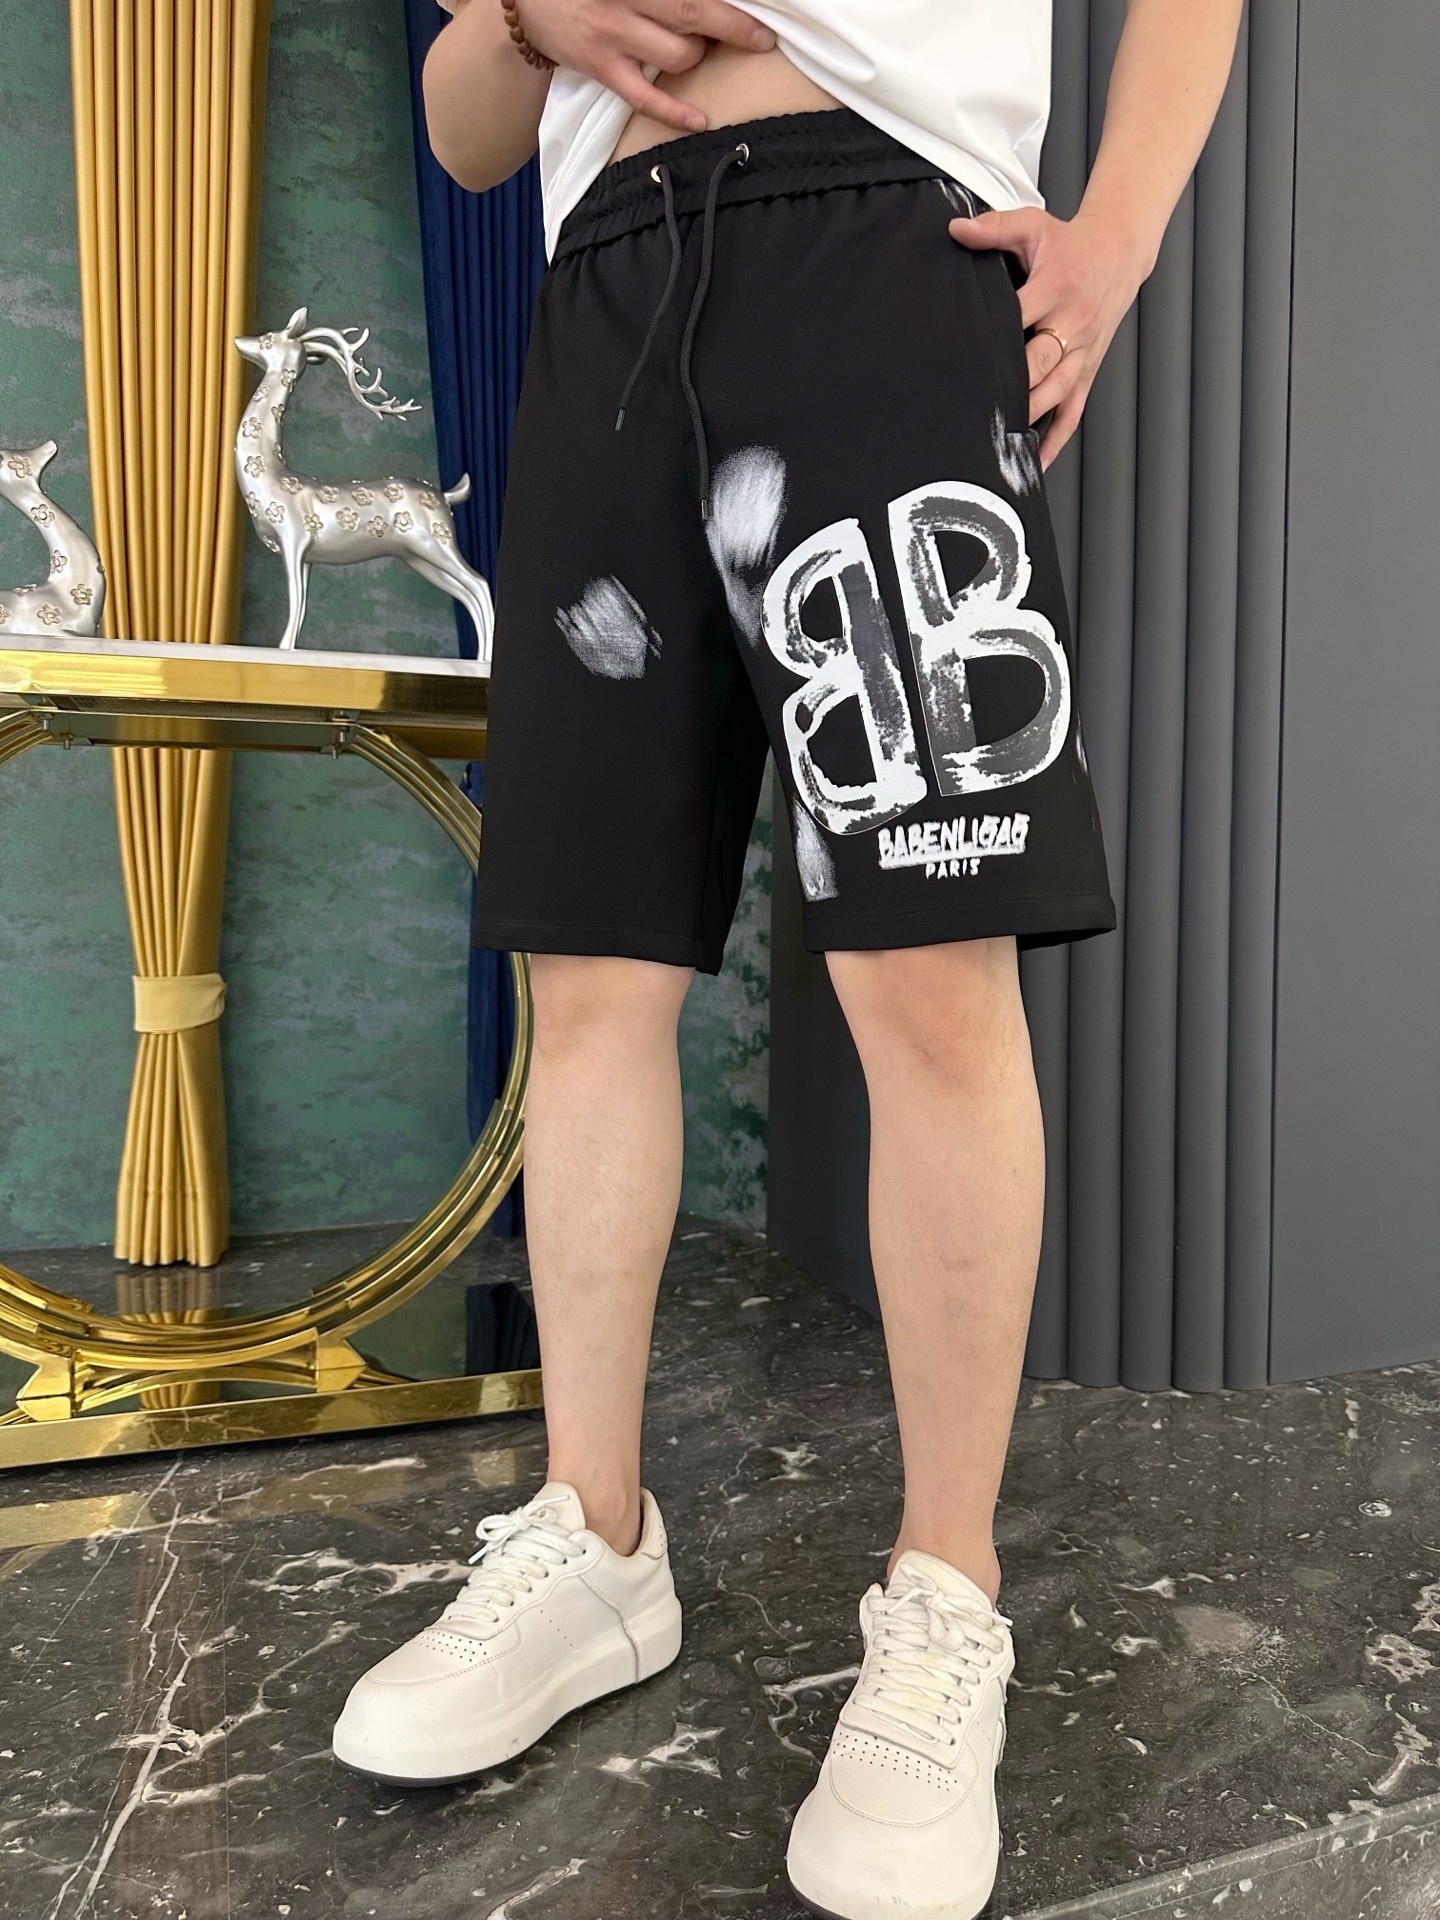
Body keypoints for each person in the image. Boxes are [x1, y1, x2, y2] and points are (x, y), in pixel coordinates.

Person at [331, 3, 1243, 1913]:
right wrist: (527, 16)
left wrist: (1117, 237)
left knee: (925, 972)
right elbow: (466, 125)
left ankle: (945, 1596)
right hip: (602, 288)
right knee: (587, 972)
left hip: (884, 239)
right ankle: (595, 1537)